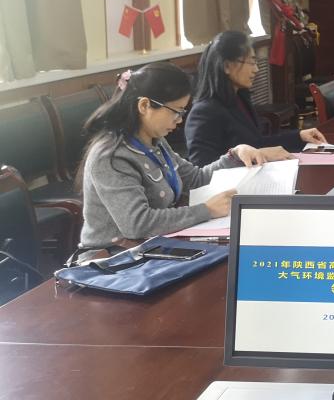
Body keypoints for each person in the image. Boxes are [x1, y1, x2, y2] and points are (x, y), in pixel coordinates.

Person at [78, 62, 294, 259]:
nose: (180, 121)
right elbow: (137, 224)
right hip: (113, 261)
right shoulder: (111, 156)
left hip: (151, 249)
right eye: (176, 112)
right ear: (144, 106)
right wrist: (207, 210)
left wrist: (235, 154)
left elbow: (196, 179)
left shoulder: (155, 141)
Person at [186, 31, 327, 166]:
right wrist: (259, 154)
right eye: (251, 63)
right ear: (227, 66)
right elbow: (202, 168)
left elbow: (257, 143)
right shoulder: (204, 112)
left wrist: (299, 136)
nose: (256, 69)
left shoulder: (239, 98)